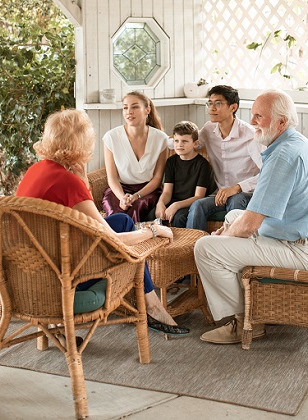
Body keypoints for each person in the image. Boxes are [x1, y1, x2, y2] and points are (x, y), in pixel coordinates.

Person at [16, 109, 189, 336]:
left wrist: (83, 180)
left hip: (33, 271)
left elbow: (84, 217)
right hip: (66, 278)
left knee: (121, 220)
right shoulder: (67, 183)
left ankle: (150, 306)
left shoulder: (36, 170)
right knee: (130, 246)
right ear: (82, 141)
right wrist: (153, 230)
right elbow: (113, 240)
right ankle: (153, 307)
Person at [195, 89, 308, 344]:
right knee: (234, 214)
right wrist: (230, 231)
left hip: (303, 250)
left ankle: (246, 321)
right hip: (302, 237)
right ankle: (251, 303)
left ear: (281, 122)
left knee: (206, 248)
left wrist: (225, 236)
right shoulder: (295, 142)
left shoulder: (283, 155)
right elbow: (249, 218)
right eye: (252, 115)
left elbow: (249, 226)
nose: (252, 122)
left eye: (259, 116)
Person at [186, 85, 264, 231]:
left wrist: (237, 187)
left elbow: (267, 173)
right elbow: (192, 144)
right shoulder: (209, 129)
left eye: (218, 103)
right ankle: (193, 249)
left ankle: (230, 248)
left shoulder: (250, 135)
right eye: (210, 103)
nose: (212, 108)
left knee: (235, 200)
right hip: (220, 194)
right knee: (198, 206)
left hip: (247, 194)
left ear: (233, 107)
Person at [102, 91, 168, 222]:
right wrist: (122, 197)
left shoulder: (161, 139)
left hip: (147, 191)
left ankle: (134, 241)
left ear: (147, 110)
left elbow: (157, 179)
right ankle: (115, 242)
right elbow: (112, 178)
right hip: (119, 190)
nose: (129, 111)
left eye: (135, 107)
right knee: (117, 213)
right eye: (125, 107)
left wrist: (137, 196)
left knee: (136, 208)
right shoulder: (111, 137)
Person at [151, 121, 212, 228]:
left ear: (195, 143)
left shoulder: (202, 164)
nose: (179, 145)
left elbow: (198, 196)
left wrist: (176, 206)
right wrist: (160, 203)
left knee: (178, 218)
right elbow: (167, 192)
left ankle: (181, 244)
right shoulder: (171, 161)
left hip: (190, 204)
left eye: (184, 141)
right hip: (172, 200)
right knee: (151, 215)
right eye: (176, 141)